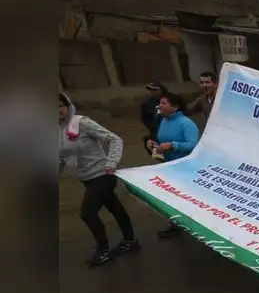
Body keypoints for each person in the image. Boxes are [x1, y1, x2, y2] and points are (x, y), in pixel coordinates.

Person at [59, 93, 138, 266]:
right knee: (114, 207)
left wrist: (112, 161)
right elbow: (60, 157)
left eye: (60, 106)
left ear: (68, 105)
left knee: (87, 213)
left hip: (102, 175)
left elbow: (114, 139)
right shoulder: (56, 130)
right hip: (85, 178)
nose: (58, 110)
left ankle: (103, 250)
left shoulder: (81, 122)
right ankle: (130, 240)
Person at [149, 92, 202, 239]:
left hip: (186, 168)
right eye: (160, 103)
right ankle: (176, 224)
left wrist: (173, 145)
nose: (160, 106)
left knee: (189, 197)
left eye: (164, 103)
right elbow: (162, 139)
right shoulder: (163, 121)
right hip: (168, 165)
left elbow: (193, 145)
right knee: (172, 197)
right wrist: (155, 144)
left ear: (175, 107)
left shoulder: (186, 123)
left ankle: (197, 224)